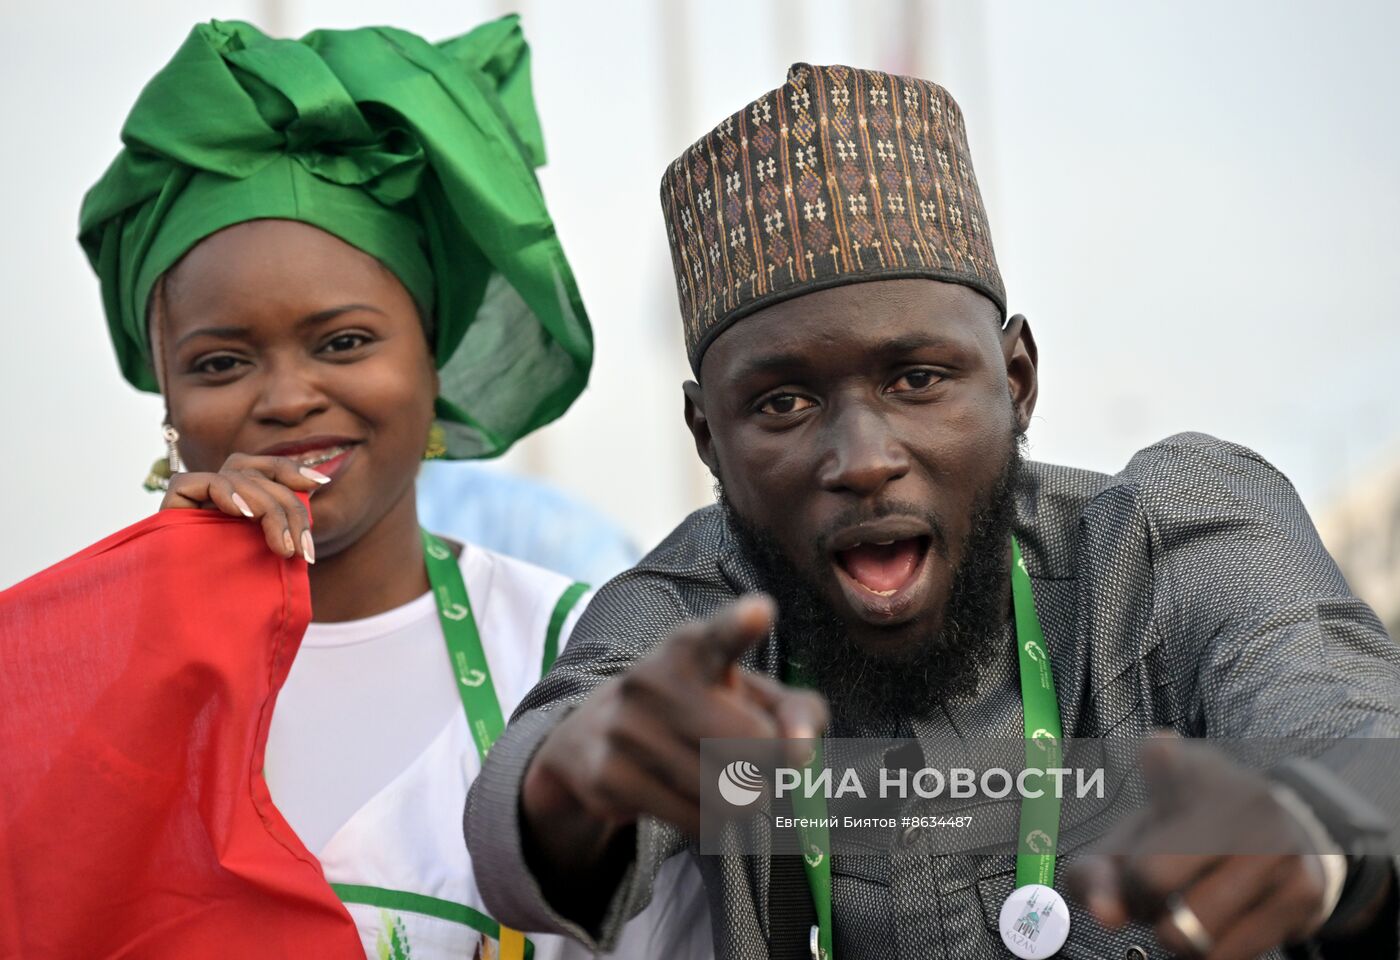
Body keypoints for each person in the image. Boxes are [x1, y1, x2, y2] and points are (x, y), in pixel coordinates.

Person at [466, 63, 1400, 958]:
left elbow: (1351, 728)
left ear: (1017, 378)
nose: (865, 461)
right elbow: (534, 799)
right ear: (708, 438)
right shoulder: (700, 613)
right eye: (785, 404)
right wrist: (575, 783)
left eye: (918, 379)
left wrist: (1316, 841)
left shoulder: (1172, 541)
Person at [74, 17, 706, 960]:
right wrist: (163, 615)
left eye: (345, 343)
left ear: (432, 360)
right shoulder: (77, 679)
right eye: (220, 362)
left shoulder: (574, 654)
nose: (288, 398)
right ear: (167, 392)